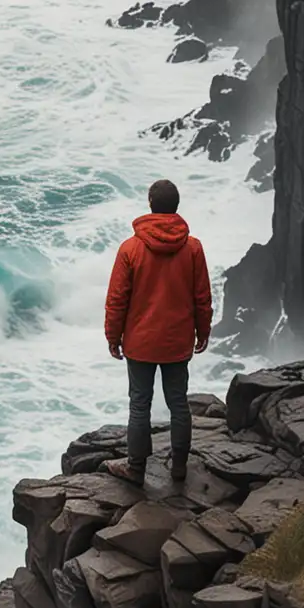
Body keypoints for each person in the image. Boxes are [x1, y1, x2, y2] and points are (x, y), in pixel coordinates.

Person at [101, 178, 212, 484]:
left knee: (140, 404)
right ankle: (178, 467)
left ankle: (136, 468)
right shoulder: (192, 248)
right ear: (176, 206)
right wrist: (203, 331)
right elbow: (201, 296)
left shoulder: (131, 249)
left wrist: (113, 337)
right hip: (177, 340)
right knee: (179, 403)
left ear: (150, 204)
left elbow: (117, 299)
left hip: (141, 342)